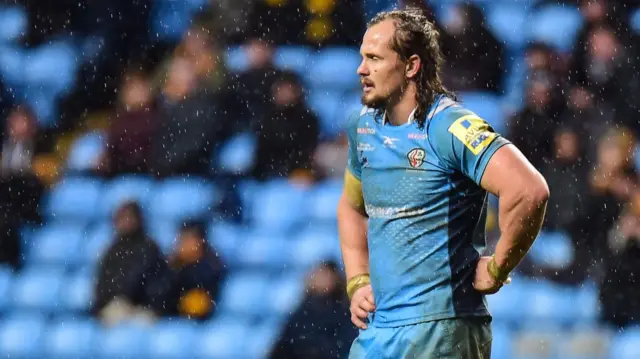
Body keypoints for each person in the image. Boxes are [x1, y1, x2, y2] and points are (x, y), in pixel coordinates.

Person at [336, 8, 549, 358]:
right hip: (380, 328)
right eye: (362, 57)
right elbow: (351, 206)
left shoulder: (450, 126)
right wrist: (358, 280)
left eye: (374, 58)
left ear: (411, 66)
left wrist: (498, 266)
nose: (361, 69)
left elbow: (529, 190)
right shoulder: (363, 127)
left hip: (443, 328)